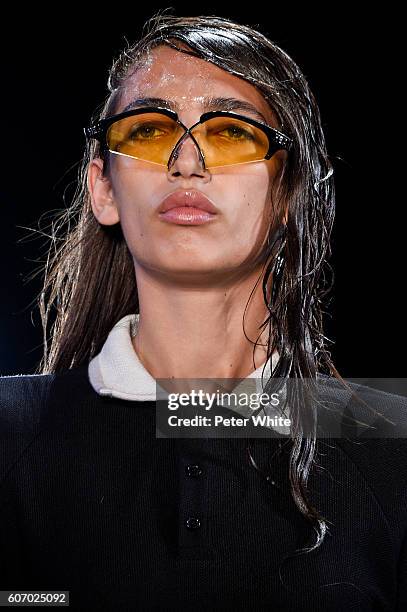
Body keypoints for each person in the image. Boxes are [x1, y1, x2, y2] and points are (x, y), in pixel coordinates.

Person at [1, 11, 406, 611]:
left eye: (230, 132)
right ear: (103, 188)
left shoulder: (391, 442)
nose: (187, 161)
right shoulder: (8, 433)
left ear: (289, 192)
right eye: (148, 131)